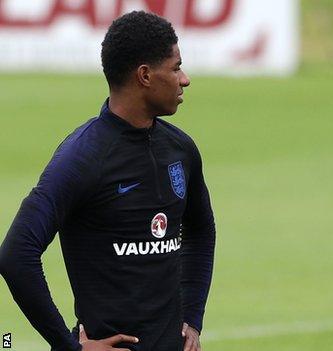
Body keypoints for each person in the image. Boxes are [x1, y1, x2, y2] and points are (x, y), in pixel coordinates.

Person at [0, 11, 215, 351]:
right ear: (144, 75)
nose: (184, 79)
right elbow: (16, 254)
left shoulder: (180, 149)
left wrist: (192, 317)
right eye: (175, 68)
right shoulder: (83, 157)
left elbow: (201, 230)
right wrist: (70, 347)